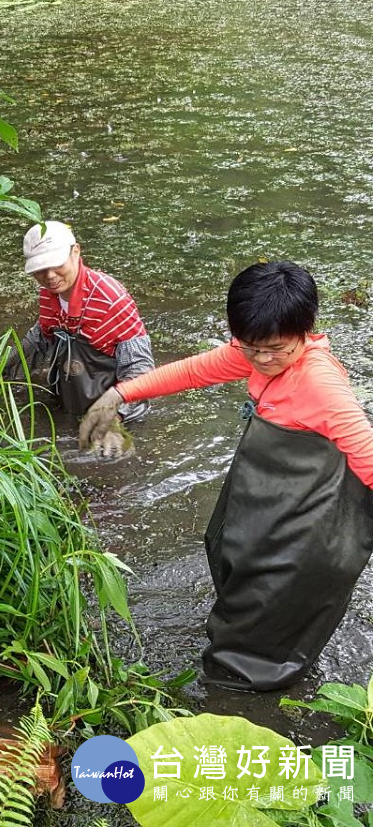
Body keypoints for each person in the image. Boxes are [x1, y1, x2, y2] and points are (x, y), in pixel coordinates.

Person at [80, 261, 373, 691]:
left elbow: (365, 452)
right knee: (230, 554)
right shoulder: (254, 353)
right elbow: (195, 370)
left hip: (311, 502)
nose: (263, 359)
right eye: (252, 347)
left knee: (276, 593)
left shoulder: (320, 384)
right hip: (271, 482)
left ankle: (244, 685)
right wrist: (119, 393)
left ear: (305, 331)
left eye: (277, 348)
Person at [10, 220, 154, 448]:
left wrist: (114, 418)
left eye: (56, 264)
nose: (49, 276)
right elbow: (39, 339)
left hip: (114, 409)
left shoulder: (111, 300)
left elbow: (140, 370)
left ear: (76, 252)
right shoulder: (50, 294)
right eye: (40, 269)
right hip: (70, 394)